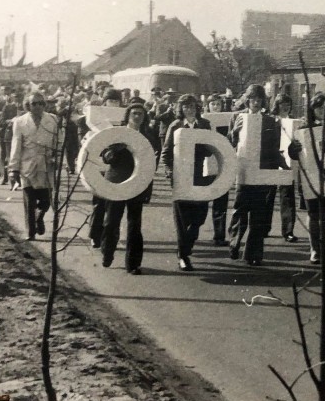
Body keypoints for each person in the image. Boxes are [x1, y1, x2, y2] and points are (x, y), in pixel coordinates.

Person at [227, 84, 287, 266]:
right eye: (252, 99)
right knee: (240, 209)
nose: (255, 103)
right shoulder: (237, 117)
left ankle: (253, 254)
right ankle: (234, 242)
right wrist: (234, 132)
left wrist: (283, 167)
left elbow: (274, 148)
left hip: (262, 170)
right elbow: (229, 145)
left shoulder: (270, 121)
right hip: (243, 169)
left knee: (259, 214)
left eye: (259, 100)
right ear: (247, 100)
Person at [288, 92, 325, 264]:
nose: (321, 110)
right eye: (318, 107)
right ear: (312, 109)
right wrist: (293, 149)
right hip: (310, 177)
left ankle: (318, 243)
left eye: (324, 107)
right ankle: (315, 250)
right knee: (314, 214)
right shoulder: (303, 129)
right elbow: (293, 154)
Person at [99, 102, 156, 274]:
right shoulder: (118, 133)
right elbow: (105, 155)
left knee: (134, 225)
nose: (137, 117)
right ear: (128, 115)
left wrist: (147, 188)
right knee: (111, 222)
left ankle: (133, 264)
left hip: (138, 184)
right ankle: (107, 253)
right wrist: (111, 154)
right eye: (134, 113)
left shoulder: (149, 135)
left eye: (141, 114)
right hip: (117, 182)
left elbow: (152, 164)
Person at [162, 94, 211, 271]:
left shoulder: (204, 125)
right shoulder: (175, 126)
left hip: (199, 176)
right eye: (185, 106)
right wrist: (170, 173)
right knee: (182, 220)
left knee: (200, 215)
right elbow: (166, 153)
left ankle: (188, 243)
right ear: (180, 109)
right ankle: (183, 256)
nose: (189, 109)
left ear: (197, 107)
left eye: (192, 106)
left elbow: (211, 149)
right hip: (181, 177)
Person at [8, 93, 60, 241]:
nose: (38, 106)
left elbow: (58, 141)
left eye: (40, 103)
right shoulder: (20, 122)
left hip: (46, 164)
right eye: (34, 103)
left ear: (45, 105)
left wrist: (56, 157)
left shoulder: (52, 120)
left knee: (46, 200)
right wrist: (13, 169)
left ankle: (40, 215)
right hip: (27, 165)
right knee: (29, 200)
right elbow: (16, 146)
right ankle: (30, 232)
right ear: (28, 105)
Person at [86, 88, 123, 249]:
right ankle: (95, 235)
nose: (113, 104)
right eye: (111, 100)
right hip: (100, 165)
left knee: (113, 205)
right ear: (105, 102)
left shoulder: (122, 119)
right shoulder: (98, 120)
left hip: (117, 167)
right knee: (99, 202)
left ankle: (110, 236)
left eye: (116, 101)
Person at [271, 94, 299, 243]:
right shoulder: (270, 120)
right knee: (267, 196)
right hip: (271, 159)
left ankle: (288, 230)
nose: (285, 106)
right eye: (282, 103)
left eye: (288, 103)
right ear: (277, 104)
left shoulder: (294, 122)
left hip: (287, 161)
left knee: (287, 196)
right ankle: (264, 228)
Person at [205, 94, 231, 246]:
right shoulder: (203, 121)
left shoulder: (227, 121)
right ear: (208, 106)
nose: (216, 107)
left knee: (221, 201)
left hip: (222, 163)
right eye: (213, 104)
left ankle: (219, 235)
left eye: (218, 104)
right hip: (207, 163)